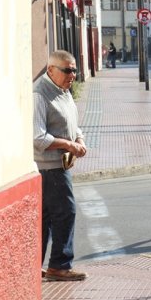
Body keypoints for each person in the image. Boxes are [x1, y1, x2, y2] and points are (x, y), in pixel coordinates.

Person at [33, 50, 88, 282]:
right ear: (51, 70)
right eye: (67, 70)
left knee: (45, 218)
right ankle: (60, 265)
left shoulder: (62, 90)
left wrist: (79, 139)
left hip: (61, 164)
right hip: (49, 167)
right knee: (66, 212)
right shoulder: (40, 93)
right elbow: (37, 137)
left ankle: (35, 266)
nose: (72, 75)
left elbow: (70, 121)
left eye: (74, 69)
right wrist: (68, 144)